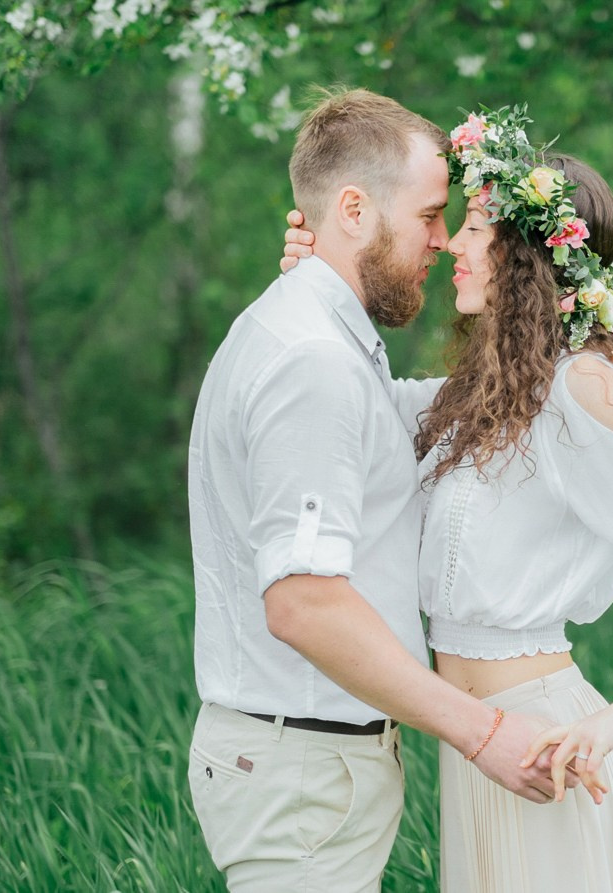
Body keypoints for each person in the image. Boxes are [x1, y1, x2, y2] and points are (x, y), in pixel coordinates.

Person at [281, 105, 613, 892]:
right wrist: (320, 276)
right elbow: (358, 403)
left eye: (474, 229)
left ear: (528, 254)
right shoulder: (483, 396)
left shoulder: (584, 385)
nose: (451, 246)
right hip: (478, 758)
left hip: (548, 747)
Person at [187, 89, 566, 893]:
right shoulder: (312, 360)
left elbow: (410, 418)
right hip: (302, 775)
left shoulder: (320, 335)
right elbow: (303, 602)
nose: (442, 240)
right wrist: (483, 731)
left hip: (312, 768)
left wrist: (570, 350)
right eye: (431, 216)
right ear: (353, 208)